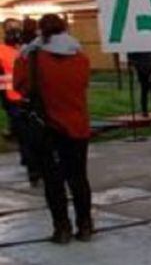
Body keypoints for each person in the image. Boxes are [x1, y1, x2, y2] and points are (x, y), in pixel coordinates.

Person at [13, 14, 92, 244]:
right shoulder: (80, 57)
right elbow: (83, 84)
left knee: (53, 181)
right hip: (78, 126)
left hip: (48, 127)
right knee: (79, 179)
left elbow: (20, 85)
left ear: (41, 31)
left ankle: (62, 228)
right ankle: (85, 225)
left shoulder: (32, 57)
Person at [127, 51, 151, 118]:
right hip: (142, 68)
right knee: (144, 90)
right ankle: (144, 111)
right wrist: (134, 65)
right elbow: (131, 56)